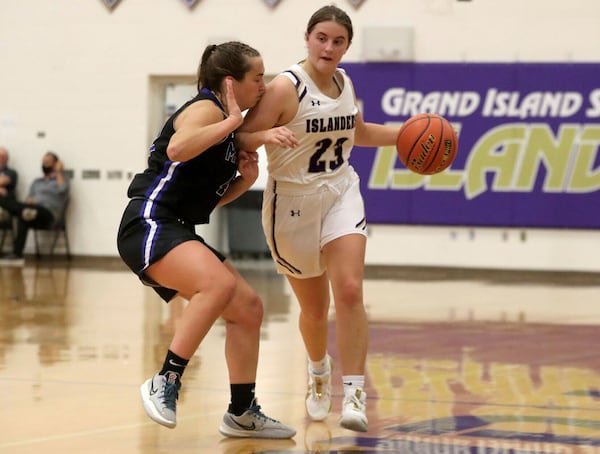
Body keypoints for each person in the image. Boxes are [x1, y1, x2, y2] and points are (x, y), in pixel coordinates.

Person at [116, 41, 295, 439]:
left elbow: (206, 202)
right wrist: (233, 124)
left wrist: (243, 182)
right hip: (149, 222)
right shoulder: (206, 109)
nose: (263, 86)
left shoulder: (226, 125)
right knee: (218, 283)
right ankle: (165, 380)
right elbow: (178, 148)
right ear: (231, 83)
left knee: (248, 308)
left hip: (178, 226)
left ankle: (242, 411)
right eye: (257, 78)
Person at [237, 5, 401, 432]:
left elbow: (358, 133)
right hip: (292, 202)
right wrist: (264, 135)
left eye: (338, 40)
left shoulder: (345, 82)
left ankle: (355, 394)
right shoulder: (284, 88)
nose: (329, 47)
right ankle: (317, 370)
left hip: (340, 190)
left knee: (349, 291)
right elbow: (240, 134)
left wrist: (408, 133)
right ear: (308, 38)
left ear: (348, 46)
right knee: (314, 309)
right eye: (322, 38)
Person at [0, 151, 69, 262]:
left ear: (56, 164)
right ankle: (17, 254)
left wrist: (59, 172)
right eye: (43, 162)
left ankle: (24, 212)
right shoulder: (37, 182)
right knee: (23, 213)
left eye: (48, 162)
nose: (45, 164)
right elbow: (28, 198)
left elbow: (63, 190)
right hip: (32, 211)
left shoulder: (62, 179)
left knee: (25, 213)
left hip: (49, 214)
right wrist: (30, 201)